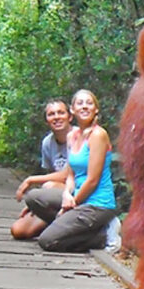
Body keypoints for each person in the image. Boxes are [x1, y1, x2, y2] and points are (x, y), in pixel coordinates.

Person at [24, 89, 119, 252]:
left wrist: (71, 204)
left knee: (47, 241)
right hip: (76, 195)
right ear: (72, 110)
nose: (84, 107)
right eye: (80, 103)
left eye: (89, 103)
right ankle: (71, 226)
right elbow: (70, 174)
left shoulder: (98, 135)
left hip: (97, 204)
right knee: (33, 198)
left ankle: (104, 235)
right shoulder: (72, 136)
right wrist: (67, 194)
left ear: (96, 109)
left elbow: (92, 180)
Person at [11, 99, 71, 240]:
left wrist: (32, 180)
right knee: (18, 230)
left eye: (61, 113)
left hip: (77, 193)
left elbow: (67, 175)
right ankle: (54, 222)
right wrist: (37, 204)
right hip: (57, 196)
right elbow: (52, 174)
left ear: (70, 117)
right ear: (46, 121)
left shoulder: (79, 137)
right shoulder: (47, 143)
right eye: (51, 114)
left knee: (47, 185)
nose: (56, 117)